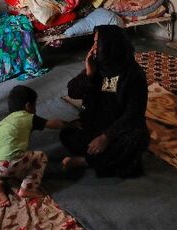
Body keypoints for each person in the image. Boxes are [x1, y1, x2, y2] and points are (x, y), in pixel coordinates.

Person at [61, 24, 150, 177]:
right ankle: (103, 159)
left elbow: (134, 113)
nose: (94, 48)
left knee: (136, 139)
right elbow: (73, 92)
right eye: (94, 42)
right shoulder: (98, 66)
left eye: (97, 43)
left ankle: (86, 161)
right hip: (96, 122)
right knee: (67, 133)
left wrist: (106, 137)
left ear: (111, 46)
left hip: (119, 127)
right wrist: (88, 74)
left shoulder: (133, 75)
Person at [0, 85, 70, 207]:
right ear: (28, 106)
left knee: (7, 166)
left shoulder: (4, 121)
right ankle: (27, 188)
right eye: (35, 105)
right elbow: (52, 123)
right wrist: (68, 124)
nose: (35, 109)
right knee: (40, 156)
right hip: (9, 165)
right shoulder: (29, 117)